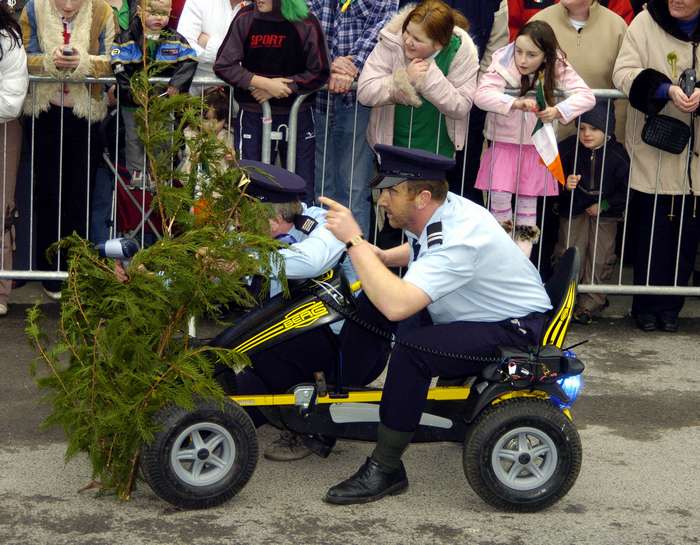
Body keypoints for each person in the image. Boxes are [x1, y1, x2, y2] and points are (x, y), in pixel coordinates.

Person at [314, 144, 551, 505]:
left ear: (422, 196)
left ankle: (386, 467)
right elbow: (422, 250)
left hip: (512, 326)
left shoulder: (458, 236)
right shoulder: (437, 211)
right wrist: (382, 257)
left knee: (412, 351)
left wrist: (355, 241)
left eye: (391, 192)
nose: (382, 201)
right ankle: (335, 402)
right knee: (372, 300)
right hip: (472, 311)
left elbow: (399, 305)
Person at [612, 0, 700, 333]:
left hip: (696, 157)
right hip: (655, 150)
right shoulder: (645, 22)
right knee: (654, 230)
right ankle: (645, 306)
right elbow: (622, 73)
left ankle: (671, 307)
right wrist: (664, 89)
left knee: (688, 233)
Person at [473, 20, 595, 257]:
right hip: (503, 146)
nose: (522, 60)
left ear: (546, 55)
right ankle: (502, 259)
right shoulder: (503, 59)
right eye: (519, 51)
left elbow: (586, 96)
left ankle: (521, 263)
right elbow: (481, 95)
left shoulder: (558, 64)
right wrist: (514, 102)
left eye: (531, 54)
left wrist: (557, 111)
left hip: (536, 147)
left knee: (528, 211)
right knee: (499, 207)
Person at [20, 0, 116, 299]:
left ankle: (75, 270)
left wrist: (82, 63)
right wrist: (49, 61)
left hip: (85, 117)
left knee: (80, 194)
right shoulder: (33, 9)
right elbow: (21, 56)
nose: (69, 5)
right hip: (43, 114)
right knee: (46, 192)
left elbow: (114, 59)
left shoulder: (103, 11)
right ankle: (49, 272)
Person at [213, 0, 330, 203]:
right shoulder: (245, 17)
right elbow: (223, 65)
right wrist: (263, 83)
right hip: (253, 114)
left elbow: (320, 71)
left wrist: (284, 88)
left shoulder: (306, 22)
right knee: (249, 184)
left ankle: (300, 234)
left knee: (302, 187)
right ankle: (250, 233)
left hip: (297, 116)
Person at [308, 0, 397, 237]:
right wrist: (328, 66)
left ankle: (357, 267)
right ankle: (322, 265)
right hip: (316, 103)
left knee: (353, 190)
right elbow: (302, 30)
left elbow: (382, 32)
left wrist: (352, 67)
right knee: (320, 189)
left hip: (357, 104)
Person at [357, 0, 479, 159]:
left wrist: (428, 78)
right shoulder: (392, 39)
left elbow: (461, 106)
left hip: (436, 153)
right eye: (407, 31)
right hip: (391, 149)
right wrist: (404, 79)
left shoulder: (461, 52)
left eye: (418, 39)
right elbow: (365, 91)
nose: (407, 41)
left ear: (438, 45)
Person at [554, 99, 629, 324]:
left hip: (605, 215)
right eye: (582, 128)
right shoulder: (568, 149)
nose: (586, 134)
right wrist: (565, 184)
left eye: (594, 129)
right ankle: (565, 301)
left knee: (600, 257)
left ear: (607, 130)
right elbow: (550, 179)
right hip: (573, 211)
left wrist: (604, 206)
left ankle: (590, 304)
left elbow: (625, 191)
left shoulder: (617, 156)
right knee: (569, 252)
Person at [110, 0, 198, 187]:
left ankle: (161, 173)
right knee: (134, 137)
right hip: (132, 102)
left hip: (162, 102)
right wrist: (130, 90)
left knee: (164, 136)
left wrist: (177, 84)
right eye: (153, 12)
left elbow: (190, 59)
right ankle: (137, 173)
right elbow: (117, 62)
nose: (159, 17)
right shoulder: (125, 38)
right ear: (140, 11)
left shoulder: (175, 38)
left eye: (164, 13)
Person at [530, 0, 628, 141]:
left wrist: (615, 140)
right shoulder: (539, 23)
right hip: (547, 143)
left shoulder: (617, 27)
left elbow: (622, 97)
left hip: (597, 146)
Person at [0, 0, 28, 317]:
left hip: (3, 129)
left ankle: (1, 288)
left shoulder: (8, 39)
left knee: (0, 211)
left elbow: (11, 101)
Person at [176, 0, 249, 96]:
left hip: (239, 96)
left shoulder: (258, 6)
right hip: (194, 94)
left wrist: (209, 44)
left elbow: (252, 59)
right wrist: (233, 59)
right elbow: (184, 47)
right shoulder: (199, 1)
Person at [507, 0, 633, 41]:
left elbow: (623, 40)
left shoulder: (616, 14)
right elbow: (510, 30)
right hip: (542, 87)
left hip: (598, 93)